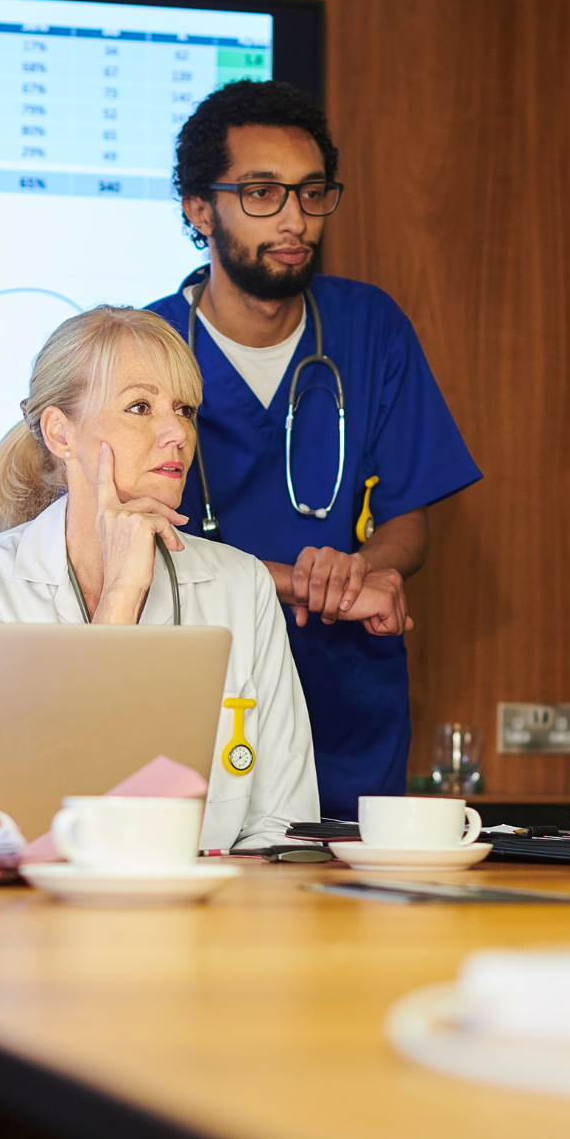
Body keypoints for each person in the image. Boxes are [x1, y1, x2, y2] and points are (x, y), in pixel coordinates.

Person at [147, 80, 481, 819]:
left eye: (311, 193)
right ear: (199, 208)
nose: (295, 219)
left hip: (346, 699)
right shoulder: (146, 348)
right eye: (263, 193)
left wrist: (359, 569)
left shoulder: (371, 327)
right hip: (201, 694)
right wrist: (310, 584)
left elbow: (408, 526)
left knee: (344, 917)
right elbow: (136, 542)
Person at [0, 305, 319, 849]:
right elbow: (2, 829)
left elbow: (284, 829)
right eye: (140, 407)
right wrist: (121, 597)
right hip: (33, 923)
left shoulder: (242, 585)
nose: (177, 433)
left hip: (208, 919)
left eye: (184, 409)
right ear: (61, 433)